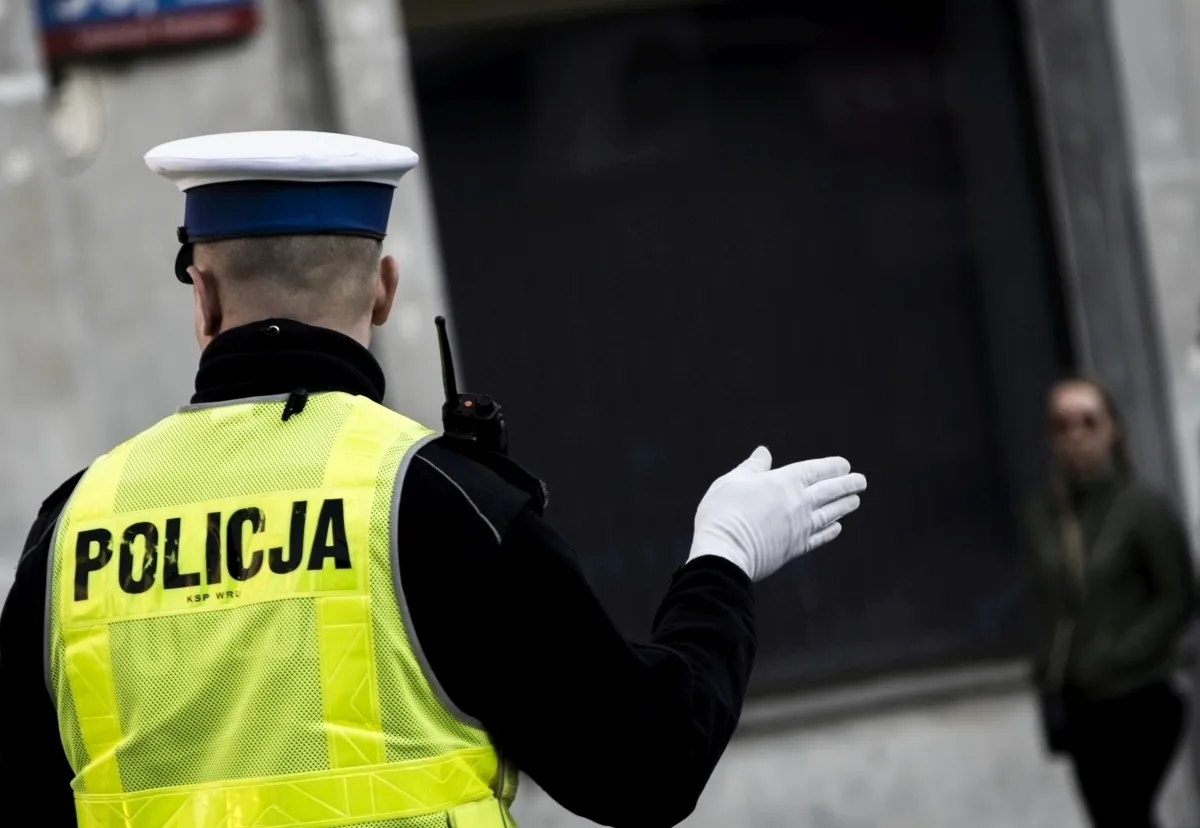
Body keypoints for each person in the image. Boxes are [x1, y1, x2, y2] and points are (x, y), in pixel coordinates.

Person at [0, 131, 867, 828]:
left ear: (205, 295)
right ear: (383, 290)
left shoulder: (74, 524)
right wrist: (723, 558)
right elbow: (645, 769)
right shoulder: (440, 505)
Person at [1026, 376, 1195, 828]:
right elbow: (1045, 605)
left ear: (1112, 428)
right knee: (1108, 817)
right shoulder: (1046, 515)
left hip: (1139, 696)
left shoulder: (1141, 507)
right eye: (1061, 425)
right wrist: (1046, 674)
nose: (1075, 436)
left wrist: (1120, 653)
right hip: (1081, 702)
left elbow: (1178, 595)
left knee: (1127, 813)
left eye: (1087, 422)